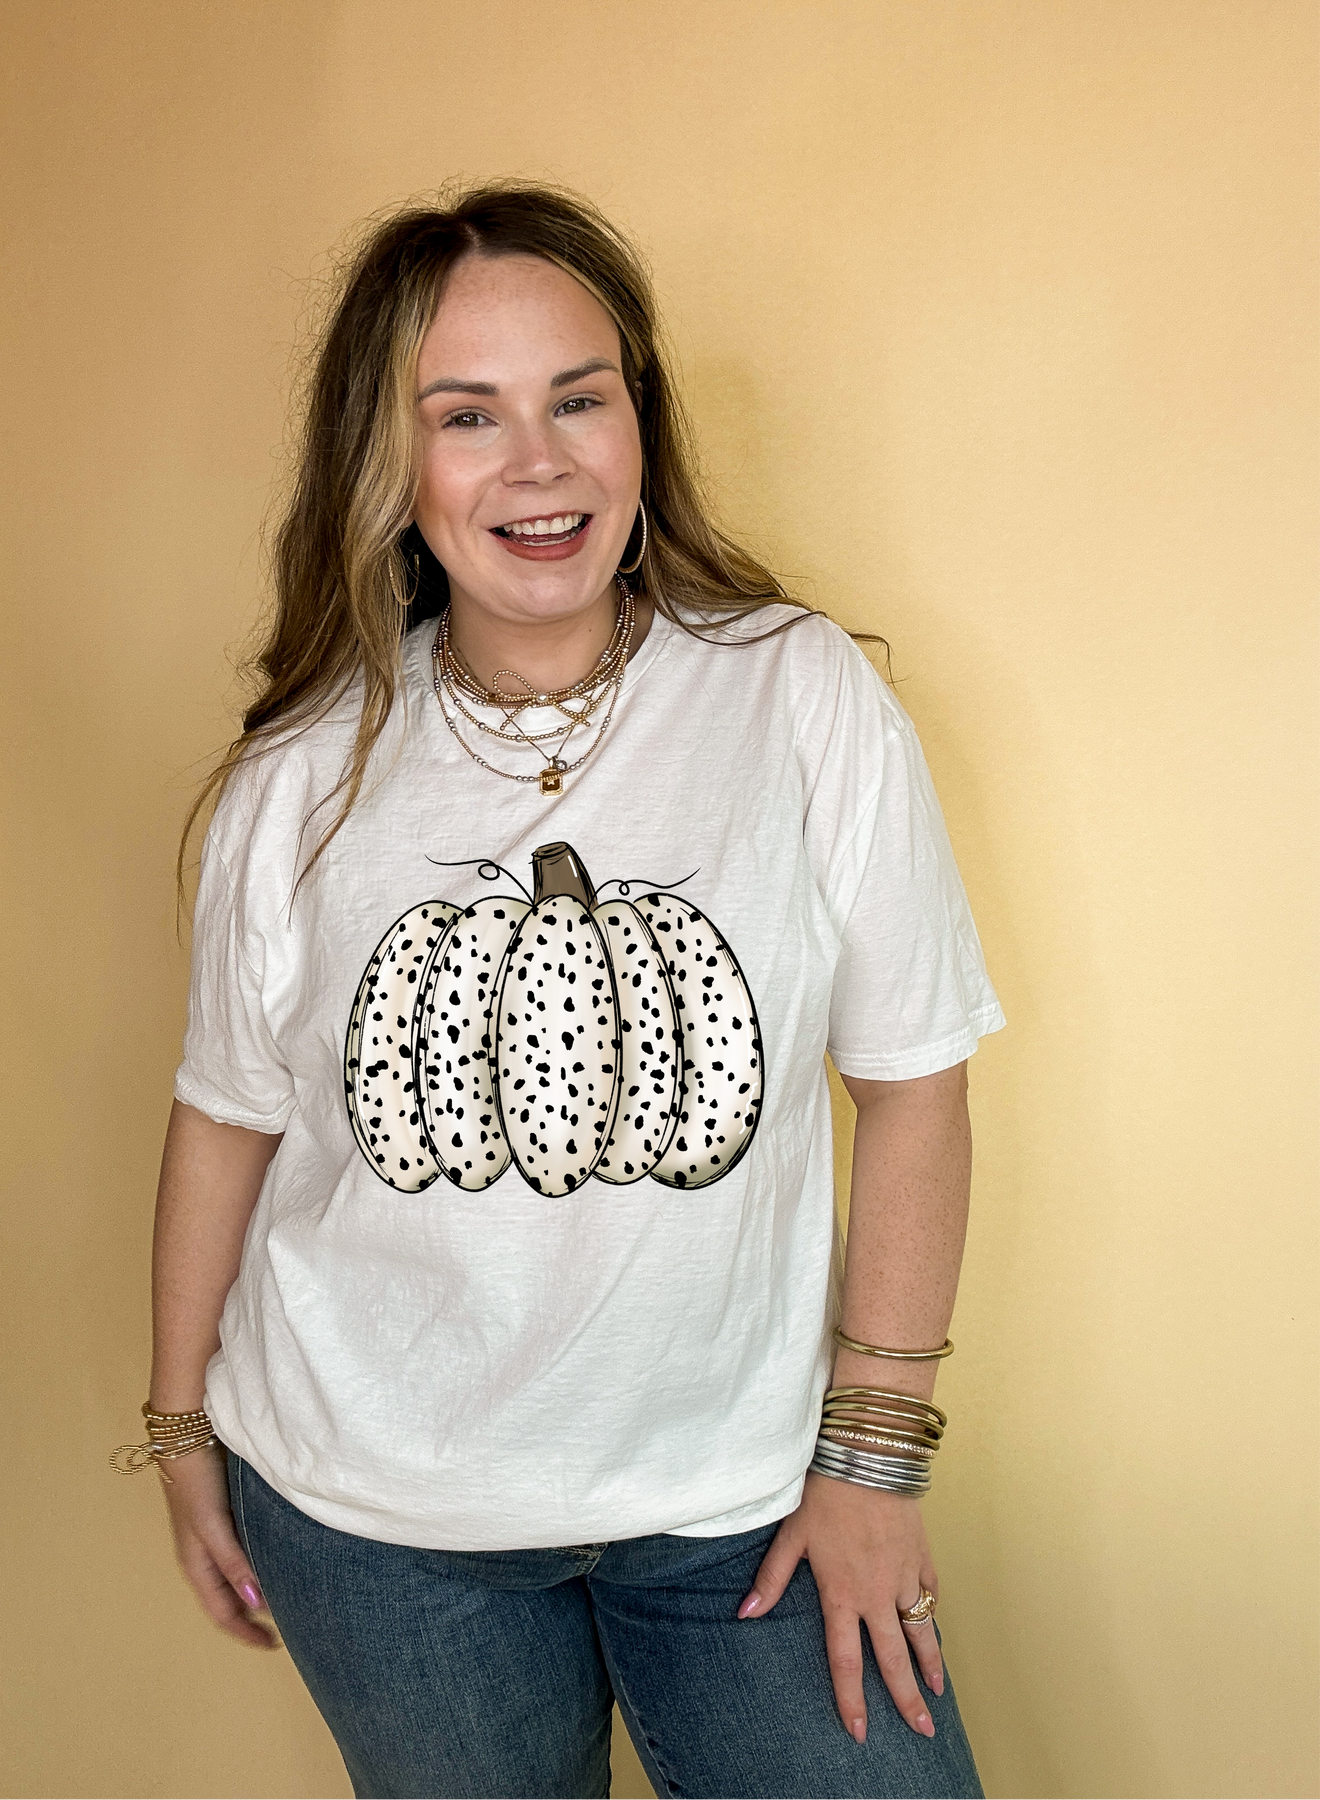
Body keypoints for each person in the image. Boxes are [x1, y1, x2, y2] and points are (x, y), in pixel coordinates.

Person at [117, 182, 1005, 1799]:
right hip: (379, 1527)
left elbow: (915, 1082)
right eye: (467, 416)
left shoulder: (793, 693)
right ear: (390, 467)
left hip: (742, 1501)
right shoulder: (301, 777)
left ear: (639, 423)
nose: (538, 462)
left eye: (578, 400)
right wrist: (182, 1432)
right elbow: (227, 1118)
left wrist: (874, 1459)